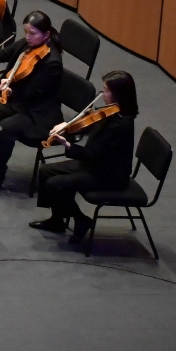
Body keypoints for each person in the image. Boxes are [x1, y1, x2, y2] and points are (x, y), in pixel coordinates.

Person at [32, 70, 139, 245]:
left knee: (55, 184)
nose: (103, 93)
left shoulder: (120, 125)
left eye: (106, 90)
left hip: (109, 175)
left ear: (118, 94)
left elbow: (91, 154)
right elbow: (92, 122)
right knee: (46, 171)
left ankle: (81, 220)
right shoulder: (112, 111)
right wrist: (67, 125)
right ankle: (57, 220)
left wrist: (67, 144)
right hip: (97, 165)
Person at [0, 11, 65, 192]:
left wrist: (11, 90)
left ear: (47, 34)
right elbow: (4, 54)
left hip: (38, 113)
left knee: (4, 131)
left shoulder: (53, 62)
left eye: (32, 33)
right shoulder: (27, 45)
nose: (28, 37)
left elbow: (33, 92)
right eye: (26, 32)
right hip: (18, 101)